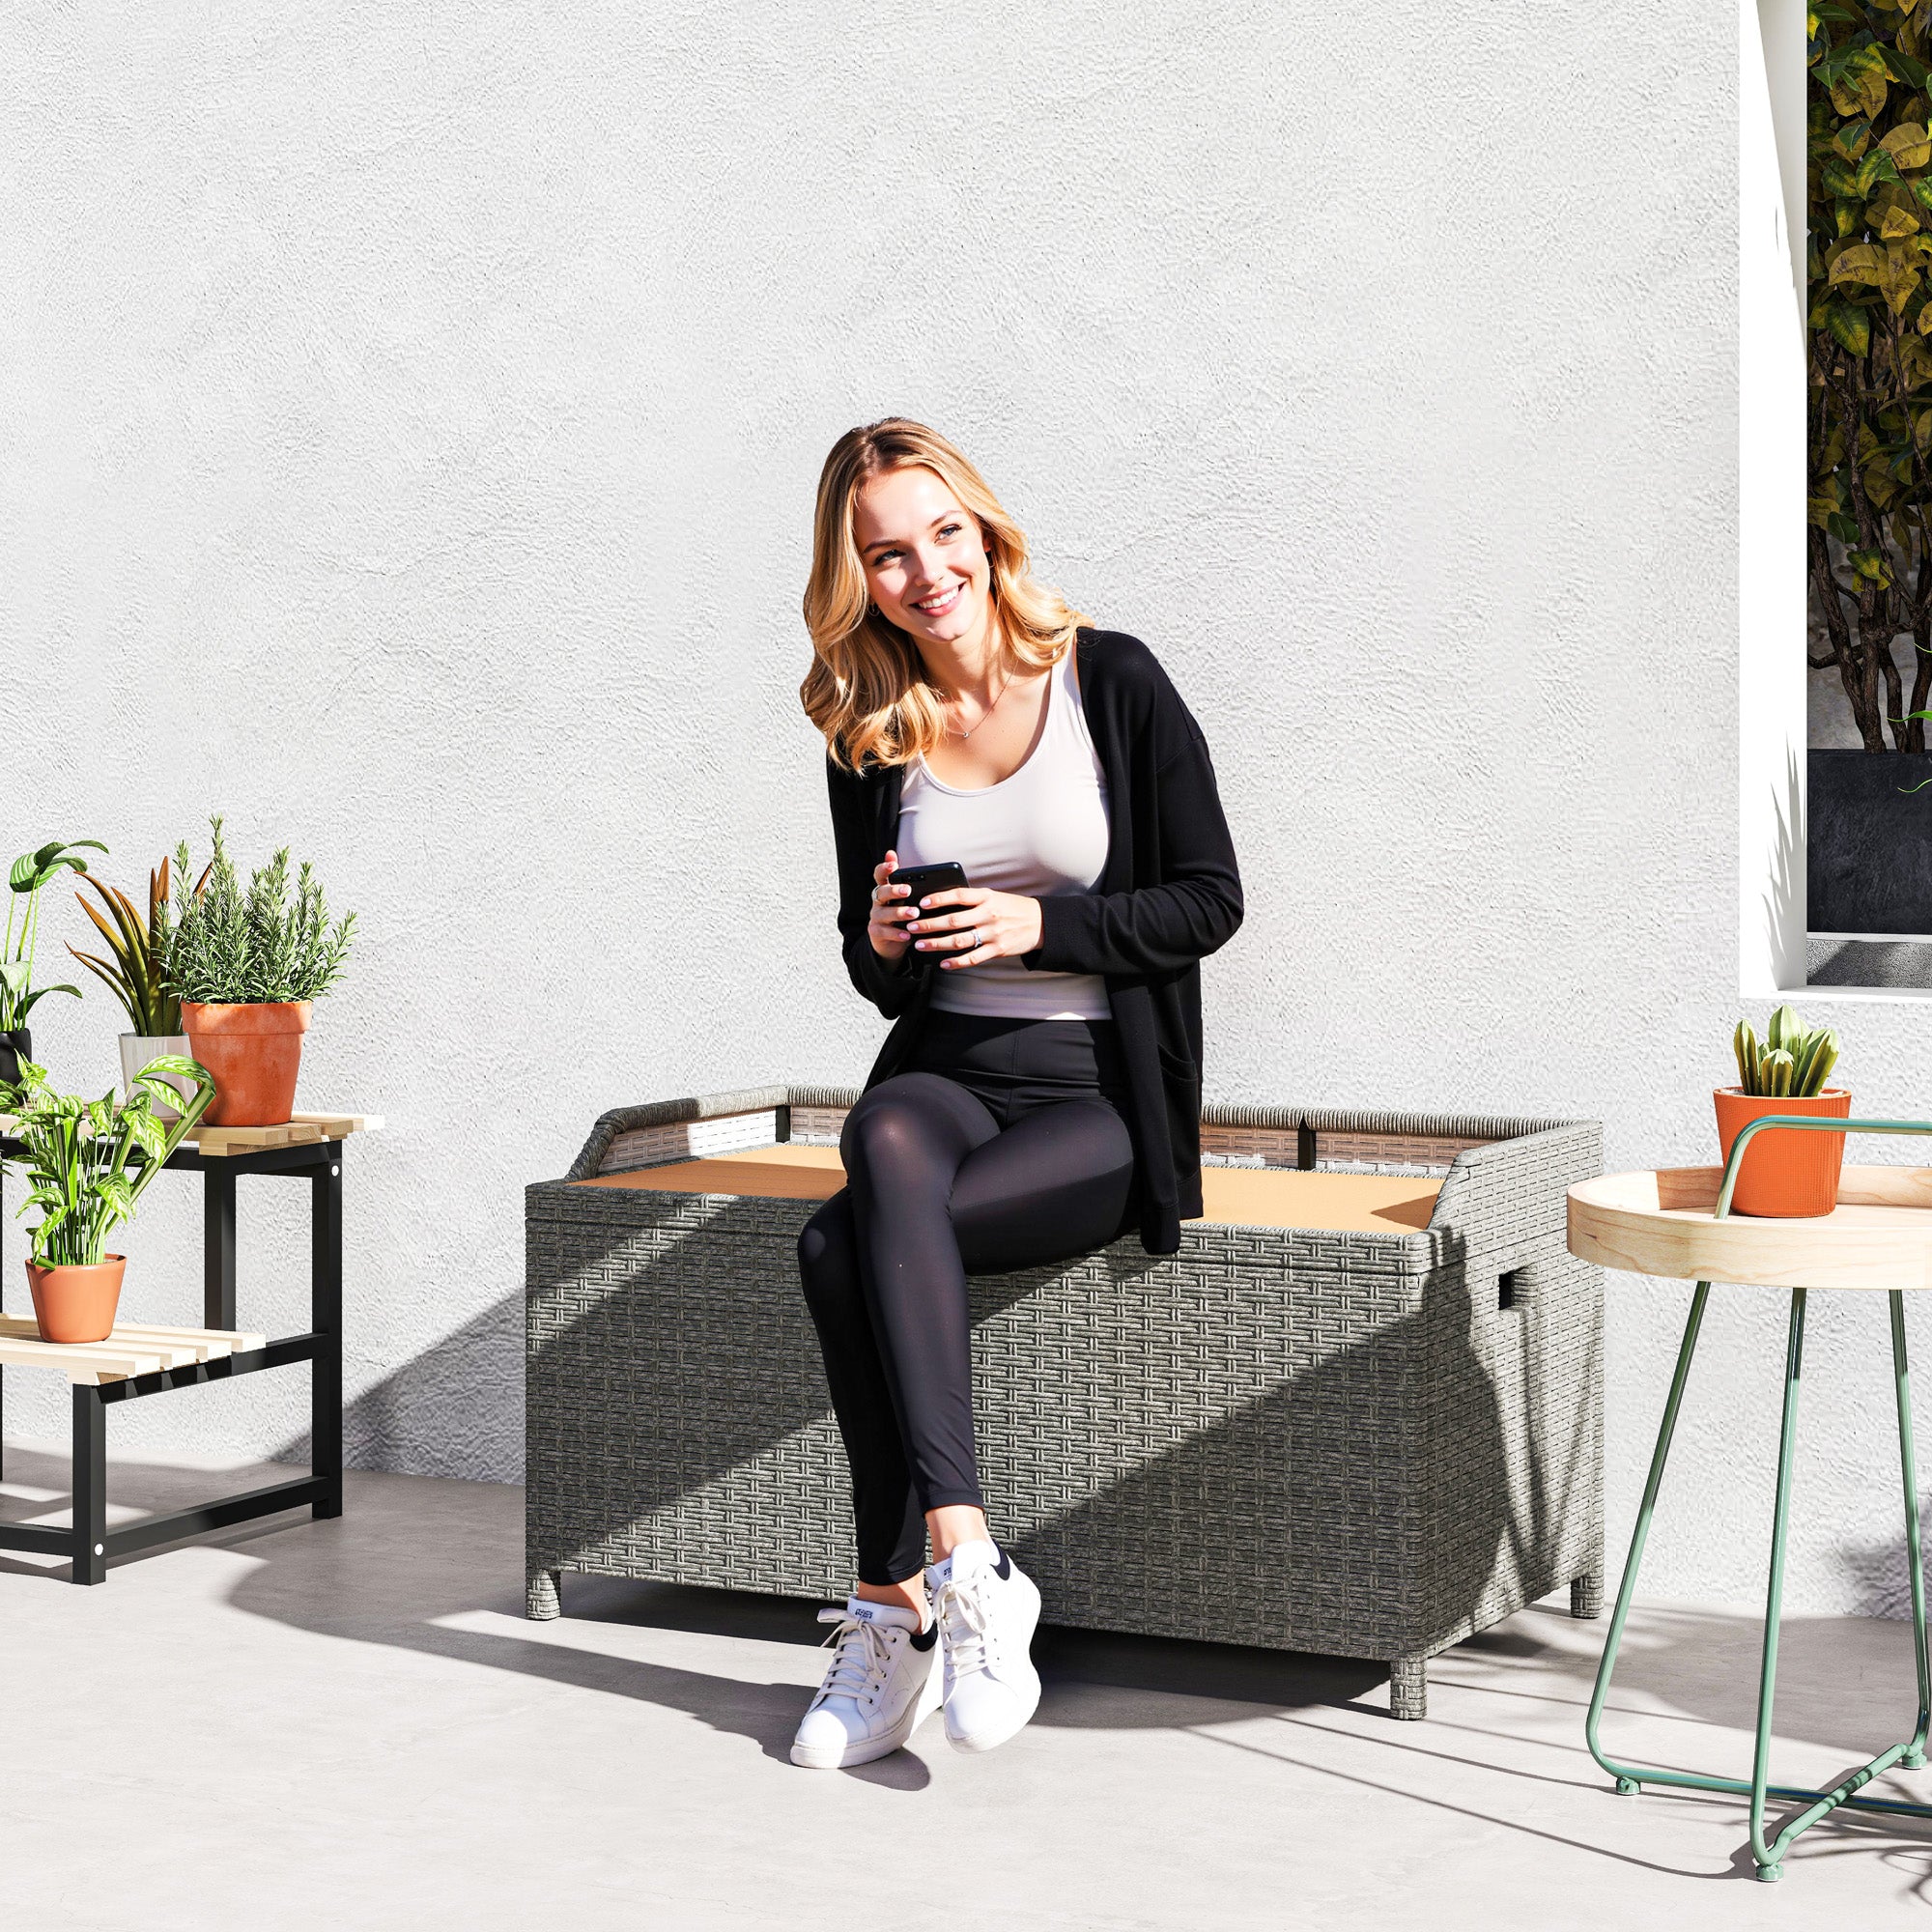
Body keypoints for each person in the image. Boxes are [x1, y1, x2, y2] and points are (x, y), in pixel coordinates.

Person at [790, 417, 1243, 1770]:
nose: (925, 570)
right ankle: (970, 1565)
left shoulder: (1113, 680)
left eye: (943, 533)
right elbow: (877, 975)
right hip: (946, 1080)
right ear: (856, 579)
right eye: (886, 554)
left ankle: (890, 1619)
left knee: (836, 1248)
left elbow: (1211, 900)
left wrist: (1043, 931)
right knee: (880, 1126)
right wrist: (878, 946)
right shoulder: (869, 732)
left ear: (986, 532)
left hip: (1096, 1098)